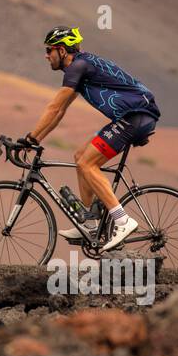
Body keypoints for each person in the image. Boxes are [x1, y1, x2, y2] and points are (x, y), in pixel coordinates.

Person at [23, 26, 160, 251]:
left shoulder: (77, 66)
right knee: (80, 157)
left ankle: (123, 220)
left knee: (88, 164)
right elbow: (60, 112)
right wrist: (35, 139)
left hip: (135, 116)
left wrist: (30, 138)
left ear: (62, 51)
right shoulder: (82, 66)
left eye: (49, 50)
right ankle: (89, 224)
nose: (46, 55)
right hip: (132, 116)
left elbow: (54, 107)